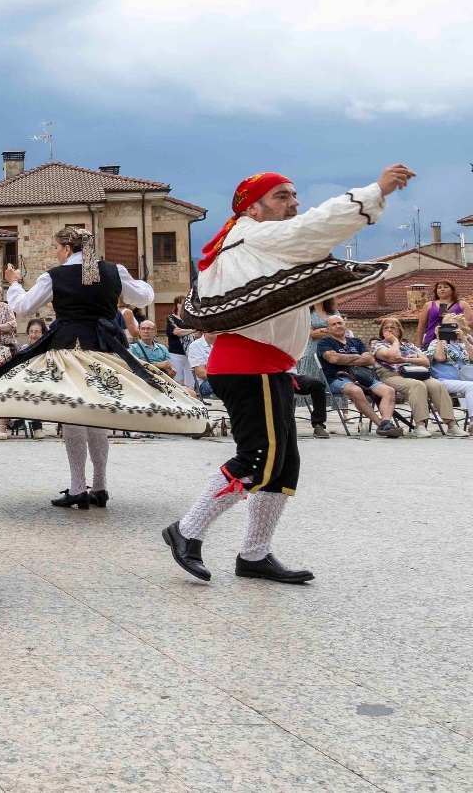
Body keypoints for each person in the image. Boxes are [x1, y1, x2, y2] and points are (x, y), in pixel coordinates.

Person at [164, 166, 411, 586]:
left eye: (294, 195)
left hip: (265, 366)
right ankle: (187, 531)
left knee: (282, 466)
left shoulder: (249, 242)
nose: (293, 203)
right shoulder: (256, 236)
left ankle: (254, 554)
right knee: (258, 459)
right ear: (253, 208)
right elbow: (316, 227)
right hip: (248, 365)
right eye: (282, 196)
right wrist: (376, 191)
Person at [0, 227, 207, 510]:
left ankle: (78, 488)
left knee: (74, 413)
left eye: (57, 248)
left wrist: (14, 282)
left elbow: (23, 307)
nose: (56, 254)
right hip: (104, 348)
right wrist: (121, 284)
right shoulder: (113, 270)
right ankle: (99, 486)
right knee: (97, 414)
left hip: (69, 349)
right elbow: (145, 297)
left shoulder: (55, 276)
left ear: (67, 249)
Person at [371, 316, 461, 436]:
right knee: (417, 385)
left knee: (437, 385)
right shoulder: (378, 345)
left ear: (399, 331)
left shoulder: (409, 346)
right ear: (382, 332)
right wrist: (395, 342)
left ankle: (452, 425)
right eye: (386, 328)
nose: (389, 330)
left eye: (393, 327)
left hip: (415, 373)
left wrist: (405, 359)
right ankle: (420, 425)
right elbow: (391, 356)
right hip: (391, 375)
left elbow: (426, 362)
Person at [314, 313, 400, 434]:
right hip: (337, 379)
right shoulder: (324, 342)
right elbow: (333, 359)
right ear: (328, 329)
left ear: (345, 325)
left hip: (362, 376)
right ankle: (380, 425)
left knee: (389, 390)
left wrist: (342, 357)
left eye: (340, 323)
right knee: (356, 390)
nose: (338, 326)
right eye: (333, 324)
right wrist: (357, 356)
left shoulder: (356, 341)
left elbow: (370, 360)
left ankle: (386, 422)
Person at [427, 319, 473, 411]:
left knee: (470, 385)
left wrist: (464, 340)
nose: (451, 330)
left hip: (464, 379)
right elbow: (440, 358)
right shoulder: (436, 343)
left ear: (462, 328)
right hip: (444, 380)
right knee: (471, 386)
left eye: (454, 326)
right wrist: (439, 338)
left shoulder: (463, 345)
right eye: (447, 326)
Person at [416, 280, 463, 349]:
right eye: (439, 287)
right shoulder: (428, 305)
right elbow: (421, 326)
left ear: (452, 290)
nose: (442, 289)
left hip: (454, 342)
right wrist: (419, 346)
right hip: (431, 341)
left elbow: (469, 322)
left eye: (446, 287)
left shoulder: (462, 304)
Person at [165, 297, 195, 381]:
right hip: (176, 353)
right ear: (176, 305)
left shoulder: (191, 319)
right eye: (181, 303)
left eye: (185, 302)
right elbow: (177, 332)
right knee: (176, 379)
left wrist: (188, 332)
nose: (183, 304)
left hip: (190, 353)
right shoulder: (171, 318)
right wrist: (193, 330)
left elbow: (198, 334)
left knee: (191, 380)